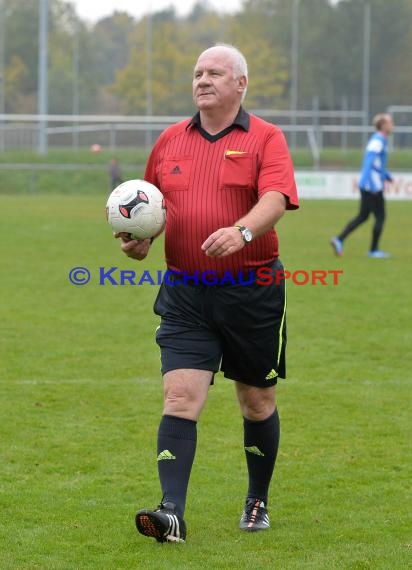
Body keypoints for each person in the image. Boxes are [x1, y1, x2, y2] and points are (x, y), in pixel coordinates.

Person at [116, 44, 299, 543]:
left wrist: (241, 232)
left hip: (252, 290)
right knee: (179, 396)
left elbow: (276, 197)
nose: (203, 80)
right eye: (198, 73)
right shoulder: (171, 140)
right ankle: (170, 512)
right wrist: (141, 241)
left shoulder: (266, 137)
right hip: (185, 292)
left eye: (215, 73)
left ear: (240, 83)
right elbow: (150, 204)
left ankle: (257, 498)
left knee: (256, 401)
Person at [330, 113, 394, 258]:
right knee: (380, 217)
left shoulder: (380, 140)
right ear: (383, 126)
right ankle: (374, 250)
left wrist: (386, 175)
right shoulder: (378, 141)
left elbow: (377, 165)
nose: (392, 125)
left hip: (370, 184)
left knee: (363, 216)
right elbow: (369, 163)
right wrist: (371, 183)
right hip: (373, 186)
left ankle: (339, 239)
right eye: (390, 123)